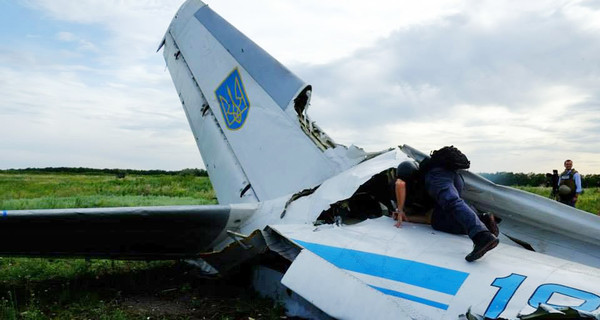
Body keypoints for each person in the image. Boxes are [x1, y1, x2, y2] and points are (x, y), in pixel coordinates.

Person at [393, 147, 499, 262]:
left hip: (440, 175)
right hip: (456, 177)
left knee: (452, 202)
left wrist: (400, 210)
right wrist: (407, 218)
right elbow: (430, 218)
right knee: (441, 220)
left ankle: (482, 236)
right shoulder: (427, 190)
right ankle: (483, 220)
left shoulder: (417, 175)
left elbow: (400, 183)